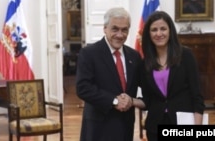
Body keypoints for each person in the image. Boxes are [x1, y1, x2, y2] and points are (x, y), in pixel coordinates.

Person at [132, 11, 205, 141]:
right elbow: (148, 101)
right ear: (148, 34)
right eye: (154, 30)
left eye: (163, 29)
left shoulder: (186, 56)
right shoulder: (144, 64)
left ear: (170, 31)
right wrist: (130, 101)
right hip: (155, 127)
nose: (159, 33)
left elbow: (197, 96)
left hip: (183, 123)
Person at [76, 7, 142, 141]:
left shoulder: (134, 56)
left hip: (125, 126)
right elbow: (83, 88)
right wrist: (115, 101)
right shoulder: (89, 53)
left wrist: (132, 101)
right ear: (105, 28)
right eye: (115, 29)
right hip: (99, 126)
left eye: (124, 30)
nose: (120, 34)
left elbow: (144, 85)